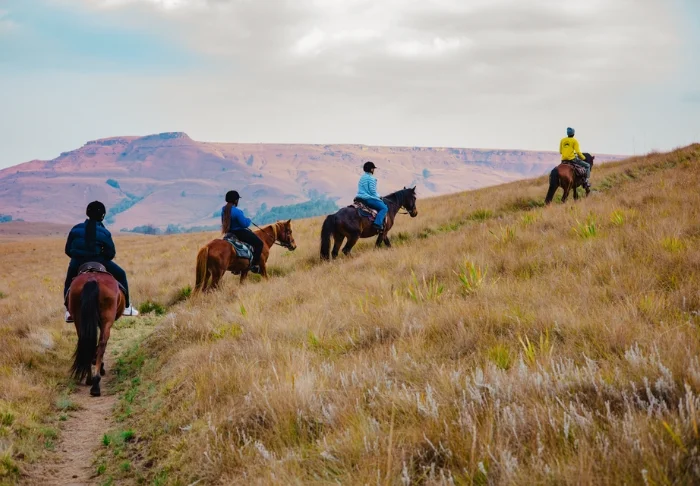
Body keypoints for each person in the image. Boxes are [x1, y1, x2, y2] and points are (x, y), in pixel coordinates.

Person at [63, 201, 138, 322]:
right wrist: (101, 257)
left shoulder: (75, 229)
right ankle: (126, 307)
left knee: (69, 282)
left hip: (77, 262)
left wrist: (77, 257)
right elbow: (111, 253)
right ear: (103, 215)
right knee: (121, 274)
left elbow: (67, 250)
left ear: (87, 213)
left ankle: (68, 310)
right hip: (99, 260)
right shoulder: (104, 232)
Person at [221, 190, 263, 274]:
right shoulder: (237, 211)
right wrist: (249, 220)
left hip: (229, 233)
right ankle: (254, 265)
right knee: (259, 244)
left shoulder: (223, 210)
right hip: (239, 233)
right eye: (237, 199)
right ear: (235, 200)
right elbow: (244, 224)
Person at [355, 161, 388, 232]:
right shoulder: (372, 178)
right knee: (384, 208)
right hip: (368, 199)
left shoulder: (362, 177)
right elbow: (372, 192)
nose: (373, 170)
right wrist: (379, 197)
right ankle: (377, 224)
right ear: (371, 169)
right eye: (373, 168)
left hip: (359, 198)